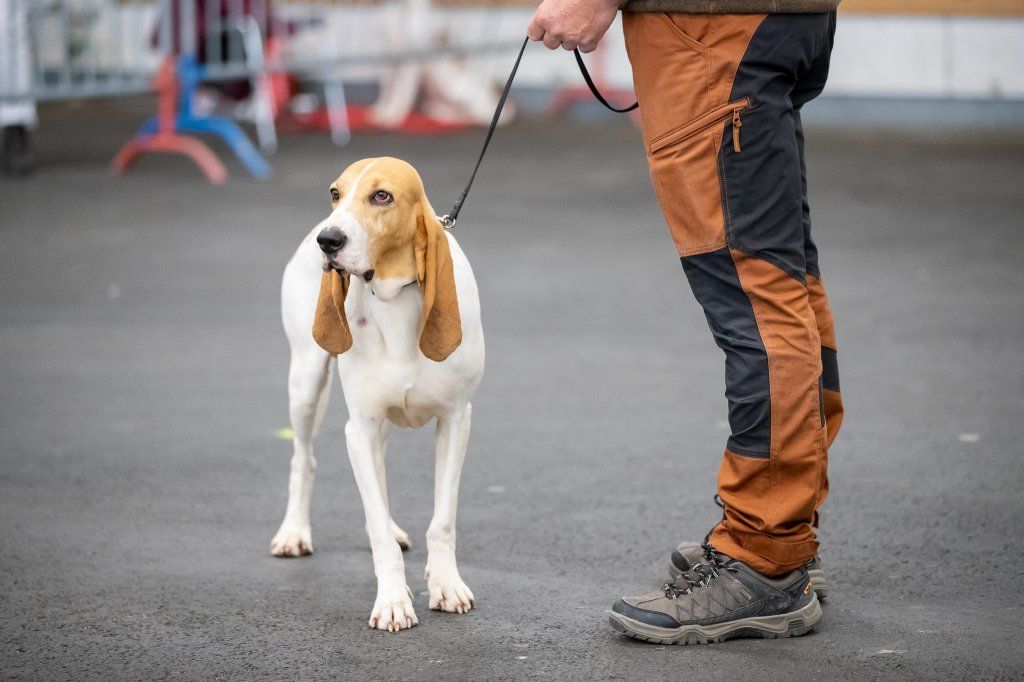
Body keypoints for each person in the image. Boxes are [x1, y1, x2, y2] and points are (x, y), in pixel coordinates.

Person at [528, 0, 844, 644]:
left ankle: (765, 553)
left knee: (755, 296)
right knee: (781, 280)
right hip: (767, 22)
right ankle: (782, 529)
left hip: (712, 28)